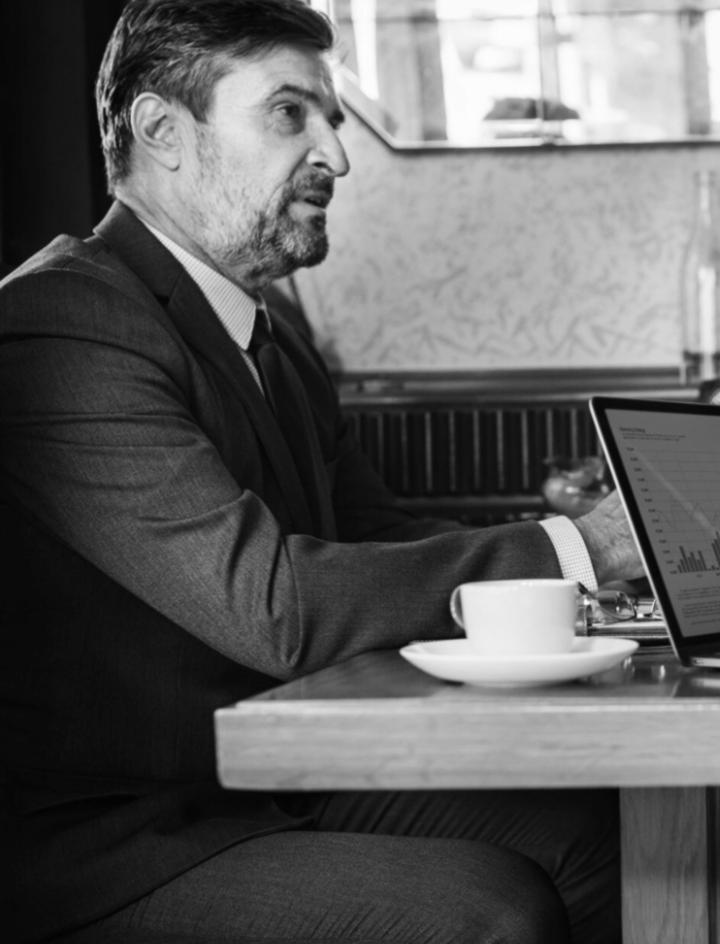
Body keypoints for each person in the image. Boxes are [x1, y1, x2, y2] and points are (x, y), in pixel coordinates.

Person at [0, 1, 643, 941]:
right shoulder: (63, 324)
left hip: (261, 791)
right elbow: (275, 605)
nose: (336, 156)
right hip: (112, 848)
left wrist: (606, 579)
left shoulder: (273, 338)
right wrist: (577, 548)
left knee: (610, 838)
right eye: (289, 113)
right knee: (491, 914)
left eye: (331, 120)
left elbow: (378, 542)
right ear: (161, 132)